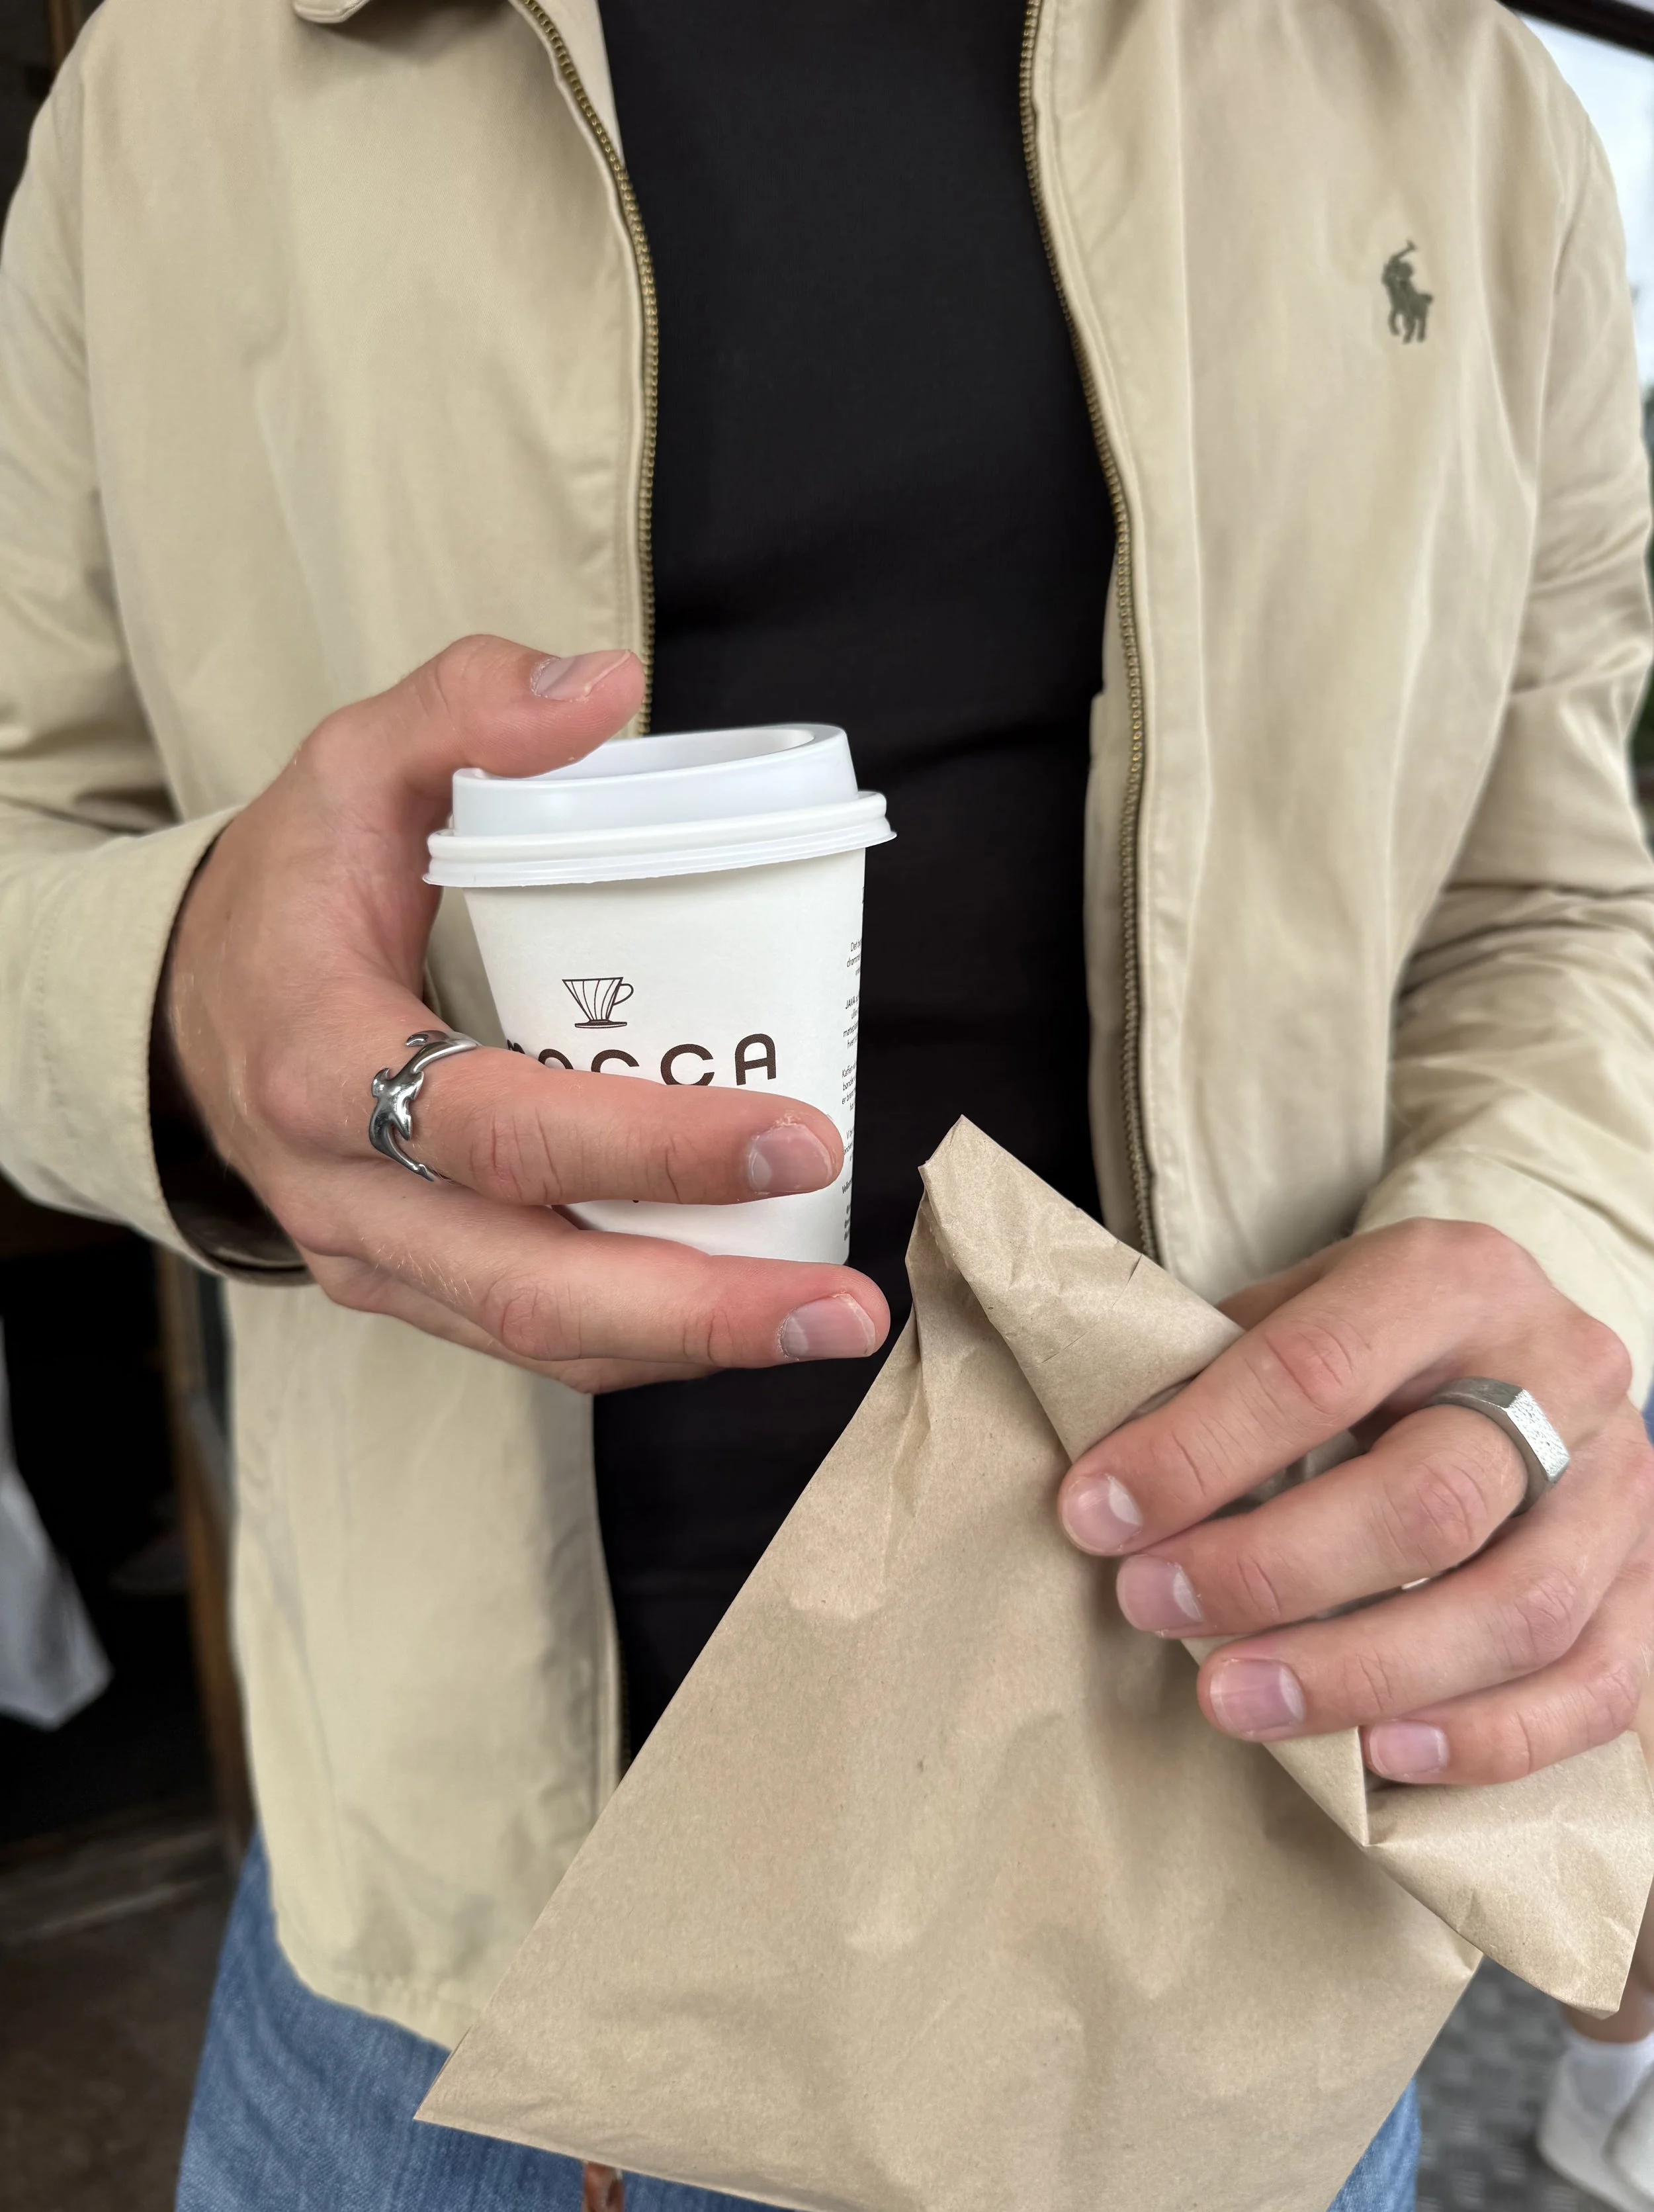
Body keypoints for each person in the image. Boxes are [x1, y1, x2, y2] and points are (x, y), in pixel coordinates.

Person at [0, 1, 1651, 2207]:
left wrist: (1531, 1284)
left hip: (1202, 1909)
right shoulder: (181, 79)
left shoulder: (1444, 87)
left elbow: (1555, 900)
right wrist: (177, 992)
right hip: (440, 1969)